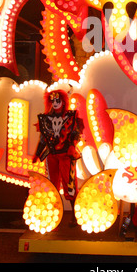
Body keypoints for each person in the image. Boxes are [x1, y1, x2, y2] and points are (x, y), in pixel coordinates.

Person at [33, 89, 83, 226]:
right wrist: (37, 154)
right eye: (53, 101)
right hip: (52, 155)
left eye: (58, 100)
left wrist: (73, 145)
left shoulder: (71, 117)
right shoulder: (46, 119)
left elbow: (76, 133)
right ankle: (55, 214)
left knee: (70, 186)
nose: (55, 103)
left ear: (63, 102)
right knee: (53, 185)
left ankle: (75, 215)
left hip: (67, 155)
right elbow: (43, 139)